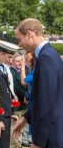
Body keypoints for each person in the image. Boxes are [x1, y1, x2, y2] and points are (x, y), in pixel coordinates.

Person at [12, 18, 63, 148]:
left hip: (50, 137)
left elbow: (47, 102)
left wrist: (38, 142)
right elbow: (41, 98)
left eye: (20, 39)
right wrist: (25, 118)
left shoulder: (46, 58)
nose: (19, 45)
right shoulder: (47, 55)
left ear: (29, 34)